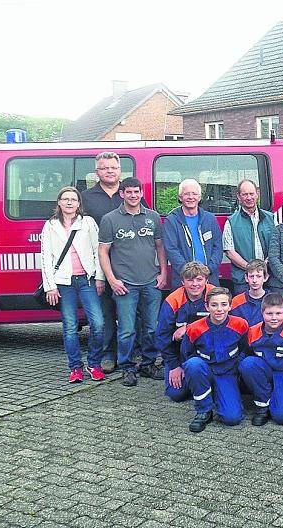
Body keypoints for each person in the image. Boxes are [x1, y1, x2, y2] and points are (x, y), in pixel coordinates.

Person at [98, 177, 167, 387]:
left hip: (151, 283)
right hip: (124, 285)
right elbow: (103, 251)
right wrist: (112, 279)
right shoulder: (110, 219)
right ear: (122, 194)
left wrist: (163, 273)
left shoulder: (153, 217)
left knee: (152, 328)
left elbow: (160, 247)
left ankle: (148, 363)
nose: (133, 195)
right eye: (129, 192)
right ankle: (126, 367)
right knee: (127, 329)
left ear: (141, 193)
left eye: (137, 192)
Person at [40, 186, 105, 383]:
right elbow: (46, 258)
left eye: (73, 199)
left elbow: (98, 251)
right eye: (65, 199)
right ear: (59, 202)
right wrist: (50, 286)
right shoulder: (50, 225)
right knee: (70, 326)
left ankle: (93, 364)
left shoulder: (88, 223)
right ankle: (75, 367)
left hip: (87, 280)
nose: (69, 202)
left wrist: (100, 277)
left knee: (98, 323)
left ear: (78, 203)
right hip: (63, 283)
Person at [81, 152, 129, 373]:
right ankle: (108, 353)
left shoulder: (129, 194)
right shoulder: (86, 198)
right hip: (100, 265)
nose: (109, 171)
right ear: (96, 172)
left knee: (131, 311)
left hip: (129, 263)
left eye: (113, 167)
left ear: (120, 170)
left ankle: (131, 352)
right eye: (104, 168)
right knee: (106, 312)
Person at [179, 287, 250, 432]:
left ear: (230, 306)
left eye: (224, 304)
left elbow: (244, 348)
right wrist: (198, 373)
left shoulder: (241, 324)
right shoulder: (194, 328)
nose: (219, 309)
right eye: (214, 305)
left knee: (232, 418)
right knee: (193, 364)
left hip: (227, 373)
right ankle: (203, 411)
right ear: (207, 306)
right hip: (205, 370)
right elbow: (187, 352)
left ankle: (221, 395)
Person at [239, 293, 283, 426]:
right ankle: (263, 405)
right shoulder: (253, 332)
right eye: (269, 314)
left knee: (282, 417)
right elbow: (246, 353)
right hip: (265, 371)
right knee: (247, 364)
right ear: (262, 313)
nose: (274, 318)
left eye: (278, 313)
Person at [156, 263, 214, 404]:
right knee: (176, 394)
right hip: (181, 355)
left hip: (210, 353)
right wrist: (174, 365)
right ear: (182, 282)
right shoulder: (173, 300)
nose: (195, 284)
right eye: (190, 280)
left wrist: (188, 328)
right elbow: (162, 337)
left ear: (206, 280)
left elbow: (225, 325)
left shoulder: (215, 295)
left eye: (199, 280)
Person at [162, 179, 223, 288]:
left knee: (211, 305)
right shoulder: (171, 221)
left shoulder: (210, 219)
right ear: (180, 197)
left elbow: (218, 247)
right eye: (186, 194)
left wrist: (209, 269)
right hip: (184, 280)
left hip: (210, 278)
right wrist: (189, 273)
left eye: (194, 194)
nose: (191, 197)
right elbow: (171, 250)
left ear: (199, 197)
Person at [223, 179, 275, 293]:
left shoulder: (272, 219)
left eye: (251, 194)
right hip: (243, 280)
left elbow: (276, 247)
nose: (249, 197)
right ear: (238, 196)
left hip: (270, 278)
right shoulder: (231, 222)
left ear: (257, 194)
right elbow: (229, 251)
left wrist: (264, 267)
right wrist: (251, 271)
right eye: (245, 194)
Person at [230, 259, 269, 328]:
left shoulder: (273, 300)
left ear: (265, 278)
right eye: (251, 276)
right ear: (246, 278)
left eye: (258, 276)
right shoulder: (236, 302)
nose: (254, 280)